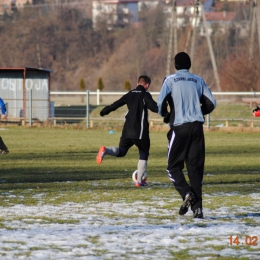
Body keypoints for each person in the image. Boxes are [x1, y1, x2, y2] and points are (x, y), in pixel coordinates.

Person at [157, 52, 216, 219]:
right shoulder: (199, 80)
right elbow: (212, 103)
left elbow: (160, 104)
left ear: (175, 65)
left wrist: (166, 115)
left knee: (172, 167)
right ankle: (198, 210)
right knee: (195, 170)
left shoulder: (169, 80)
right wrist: (199, 111)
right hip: (197, 128)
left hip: (180, 127)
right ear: (189, 64)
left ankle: (186, 193)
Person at [96, 75, 158, 187]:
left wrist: (104, 111)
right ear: (147, 85)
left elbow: (115, 104)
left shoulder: (130, 94)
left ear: (137, 83)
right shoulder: (145, 95)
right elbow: (155, 108)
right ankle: (139, 181)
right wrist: (166, 110)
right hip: (140, 131)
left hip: (127, 130)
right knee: (143, 153)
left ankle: (106, 150)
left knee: (121, 151)